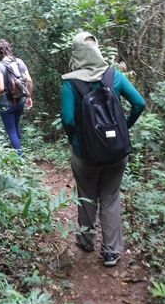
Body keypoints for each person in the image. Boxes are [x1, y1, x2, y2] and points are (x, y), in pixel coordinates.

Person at [60, 32, 145, 267]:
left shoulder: (70, 83)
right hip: (116, 153)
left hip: (85, 155)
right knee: (110, 197)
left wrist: (77, 142)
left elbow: (67, 119)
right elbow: (139, 103)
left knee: (86, 195)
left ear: (76, 53)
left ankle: (86, 240)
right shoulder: (114, 76)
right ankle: (111, 252)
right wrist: (124, 129)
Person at [0, 39, 33, 156]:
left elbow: (0, 87)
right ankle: (19, 152)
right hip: (20, 99)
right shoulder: (19, 62)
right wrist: (29, 96)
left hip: (5, 102)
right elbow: (29, 80)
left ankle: (20, 158)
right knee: (16, 126)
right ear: (9, 49)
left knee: (11, 130)